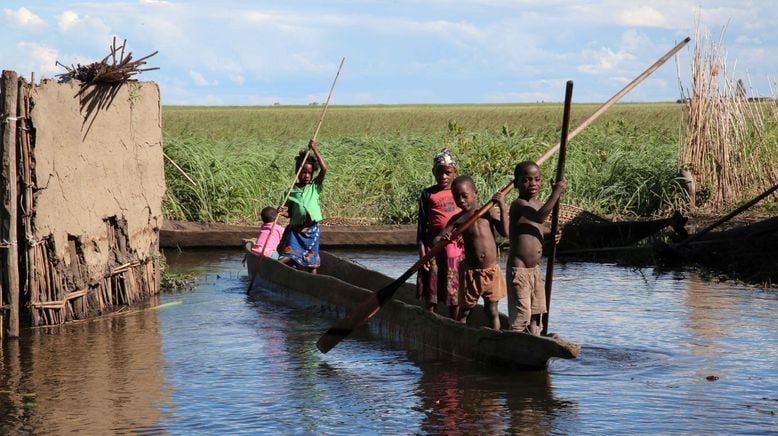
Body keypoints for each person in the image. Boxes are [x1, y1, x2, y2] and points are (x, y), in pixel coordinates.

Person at [437, 176, 508, 330]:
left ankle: (495, 337)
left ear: (475, 193)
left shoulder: (489, 212)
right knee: (465, 310)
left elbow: (505, 232)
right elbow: (437, 240)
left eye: (464, 196)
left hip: (491, 271)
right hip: (471, 273)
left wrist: (502, 207)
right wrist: (444, 238)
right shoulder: (458, 220)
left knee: (492, 310)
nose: (461, 200)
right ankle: (460, 335)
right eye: (457, 197)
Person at [506, 160, 566, 335]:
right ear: (516, 183)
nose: (533, 184)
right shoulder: (518, 205)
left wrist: (552, 234)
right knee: (522, 313)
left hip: (535, 271)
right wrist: (556, 193)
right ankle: (515, 339)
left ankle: (534, 337)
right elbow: (539, 218)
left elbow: (538, 228)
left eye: (537, 179)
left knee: (536, 312)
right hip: (520, 270)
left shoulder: (539, 204)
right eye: (526, 180)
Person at [416, 148, 465, 318]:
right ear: (433, 172)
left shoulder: (461, 193)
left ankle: (456, 322)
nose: (443, 177)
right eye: (439, 173)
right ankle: (430, 319)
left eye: (447, 173)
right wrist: (423, 256)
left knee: (454, 291)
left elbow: (469, 216)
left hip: (455, 249)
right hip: (433, 248)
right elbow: (422, 227)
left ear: (454, 172)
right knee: (431, 288)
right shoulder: (427, 194)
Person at [277, 139, 328, 273]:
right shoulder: (290, 192)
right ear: (298, 173)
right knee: (289, 255)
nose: (306, 176)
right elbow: (292, 214)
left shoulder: (315, 187)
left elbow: (324, 168)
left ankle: (313, 280)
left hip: (311, 231)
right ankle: (275, 270)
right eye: (303, 172)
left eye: (309, 173)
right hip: (296, 231)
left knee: (311, 262)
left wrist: (315, 148)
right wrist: (283, 213)